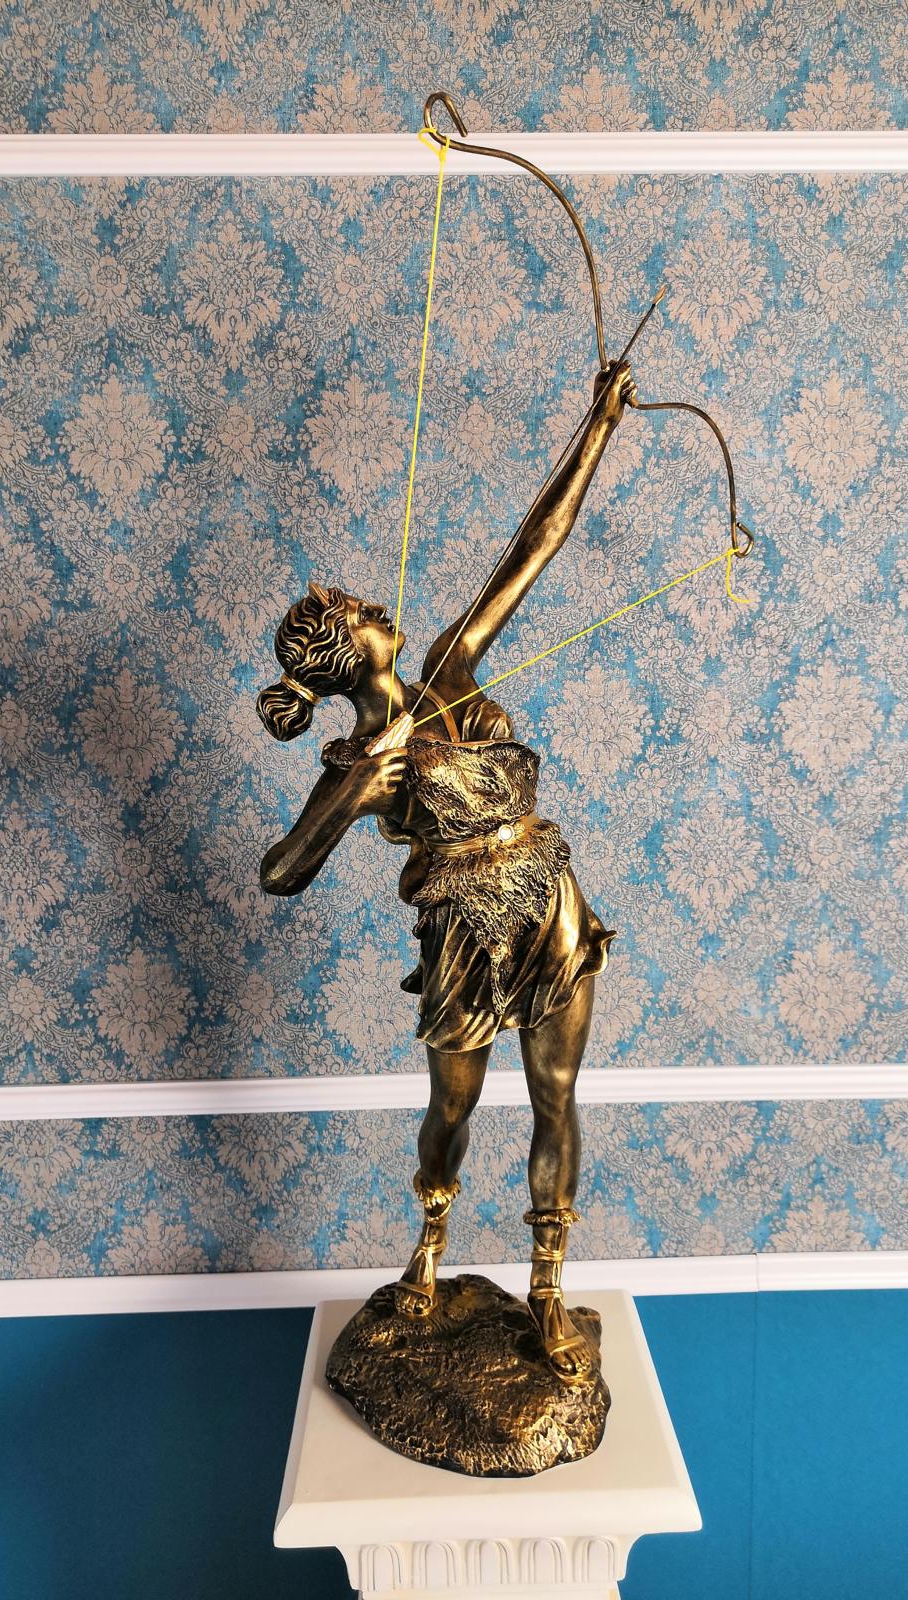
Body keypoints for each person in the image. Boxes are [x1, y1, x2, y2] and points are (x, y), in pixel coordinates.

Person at [257, 360, 637, 1383]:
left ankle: (548, 1287)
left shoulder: (452, 668)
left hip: (548, 896)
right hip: (463, 931)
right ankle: (428, 1251)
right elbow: (280, 872)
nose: (373, 603)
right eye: (355, 609)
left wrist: (598, 424)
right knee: (454, 1111)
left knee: (556, 1092)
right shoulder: (359, 763)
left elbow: (532, 546)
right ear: (345, 652)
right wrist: (353, 790)